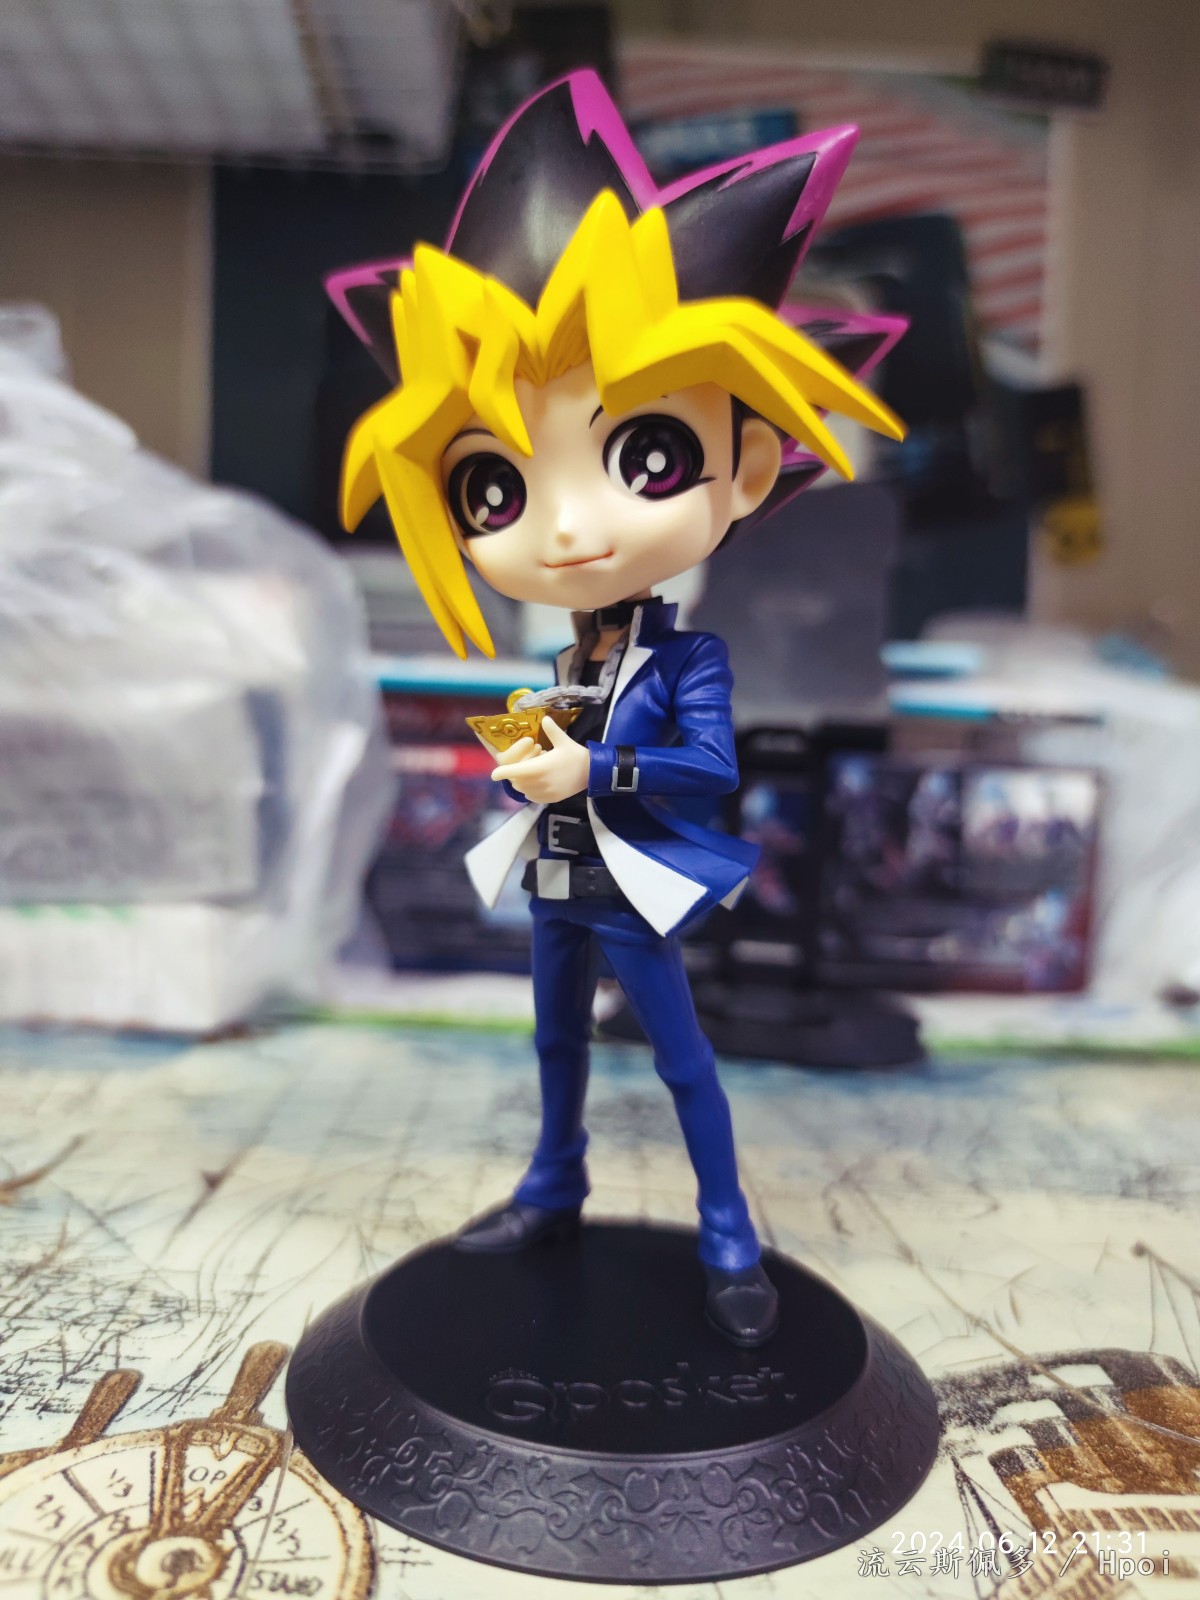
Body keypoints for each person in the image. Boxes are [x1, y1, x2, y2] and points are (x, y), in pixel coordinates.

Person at [327, 70, 905, 1346]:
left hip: (632, 887)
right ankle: (553, 1184)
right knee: (554, 1048)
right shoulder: (569, 654)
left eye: (647, 456)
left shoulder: (689, 662)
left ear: (744, 467)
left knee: (683, 1058)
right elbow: (561, 751)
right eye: (493, 488)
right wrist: (535, 754)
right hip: (558, 881)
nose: (568, 525)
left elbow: (706, 768)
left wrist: (588, 776)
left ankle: (728, 1232)